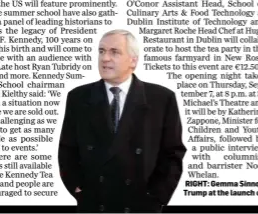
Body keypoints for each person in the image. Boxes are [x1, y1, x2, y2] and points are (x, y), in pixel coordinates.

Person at [59, 30, 186, 213]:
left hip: (141, 206)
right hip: (94, 204)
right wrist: (77, 187)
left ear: (133, 61)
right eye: (101, 51)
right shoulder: (78, 97)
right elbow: (67, 150)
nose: (105, 58)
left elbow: (172, 153)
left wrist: (158, 196)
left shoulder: (161, 99)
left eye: (114, 52)